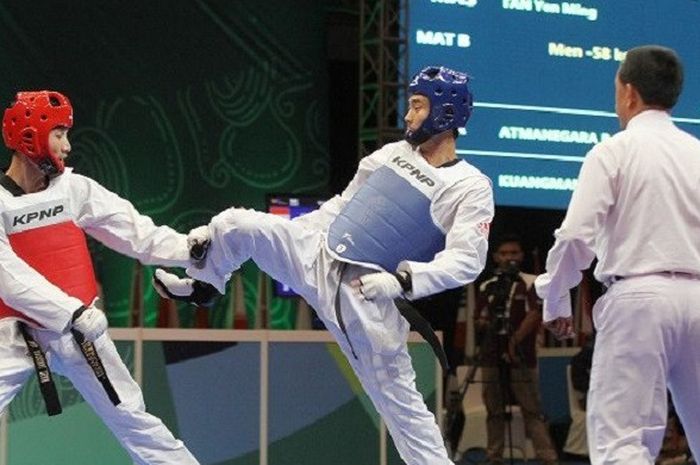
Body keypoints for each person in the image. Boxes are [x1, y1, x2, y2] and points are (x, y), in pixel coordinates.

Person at [154, 66, 494, 465]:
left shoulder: (469, 186)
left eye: (417, 106)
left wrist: (402, 281)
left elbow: (468, 260)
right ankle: (205, 286)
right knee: (236, 223)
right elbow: (341, 208)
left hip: (367, 299)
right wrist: (293, 236)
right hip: (318, 255)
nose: (407, 115)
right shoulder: (390, 154)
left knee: (405, 415)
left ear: (446, 115)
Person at [0, 91, 202, 464]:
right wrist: (72, 311)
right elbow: (7, 275)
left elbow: (135, 231)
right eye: (58, 134)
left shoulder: (75, 189)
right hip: (17, 332)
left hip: (79, 333)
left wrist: (190, 249)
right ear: (30, 135)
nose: (67, 145)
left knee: (134, 420)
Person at [535, 45, 700, 464]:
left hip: (639, 299)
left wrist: (555, 296)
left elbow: (575, 236)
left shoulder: (614, 150)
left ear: (628, 93)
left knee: (623, 443)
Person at [474, 234, 558, 465]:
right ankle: (494, 457)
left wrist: (514, 341)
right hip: (491, 355)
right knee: (494, 410)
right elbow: (479, 319)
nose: (509, 257)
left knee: (532, 410)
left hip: (522, 357)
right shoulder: (487, 286)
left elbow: (535, 314)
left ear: (520, 256)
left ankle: (547, 457)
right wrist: (485, 324)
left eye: (513, 253)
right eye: (504, 253)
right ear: (495, 257)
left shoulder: (532, 282)